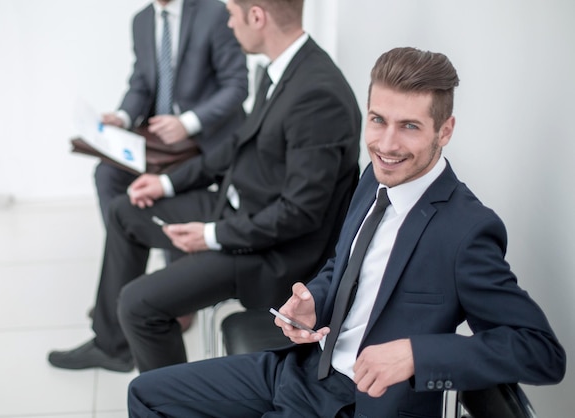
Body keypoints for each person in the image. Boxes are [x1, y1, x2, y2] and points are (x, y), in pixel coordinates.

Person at [126, 46, 567, 417]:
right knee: (146, 394)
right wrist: (316, 299)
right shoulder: (375, 177)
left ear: (444, 131)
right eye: (378, 120)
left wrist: (416, 354)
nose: (386, 144)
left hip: (358, 402)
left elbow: (540, 352)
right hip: (302, 367)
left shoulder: (467, 230)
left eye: (409, 126)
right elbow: (346, 263)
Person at [47, 0, 362, 374]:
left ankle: (173, 401)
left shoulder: (316, 95)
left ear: (257, 17)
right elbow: (235, 146)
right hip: (241, 213)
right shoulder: (283, 69)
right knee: (124, 212)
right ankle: (113, 345)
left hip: (269, 251)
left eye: (231, 14)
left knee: (138, 304)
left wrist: (211, 235)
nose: (228, 24)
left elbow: (300, 214)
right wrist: (165, 183)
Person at [95, 0, 249, 224]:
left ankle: (172, 247)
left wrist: (187, 123)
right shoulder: (142, 20)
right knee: (107, 174)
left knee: (171, 187)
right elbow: (141, 83)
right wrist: (122, 117)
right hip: (158, 139)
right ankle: (123, 246)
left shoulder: (215, 13)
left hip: (207, 138)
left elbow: (237, 86)